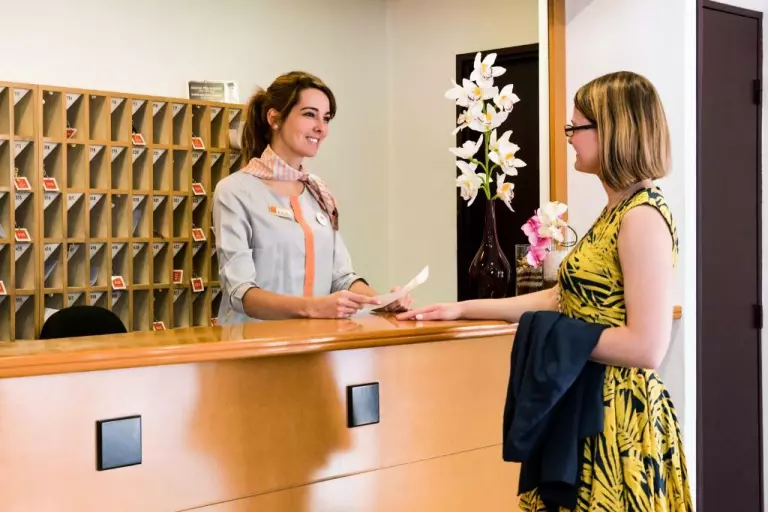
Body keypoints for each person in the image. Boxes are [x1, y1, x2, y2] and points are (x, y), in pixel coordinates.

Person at [398, 71, 692, 510]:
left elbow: (647, 347)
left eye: (576, 127)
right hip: (588, 406)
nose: (569, 137)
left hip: (616, 419)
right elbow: (561, 298)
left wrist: (557, 335)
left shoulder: (641, 217)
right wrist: (462, 309)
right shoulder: (616, 210)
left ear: (613, 130)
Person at [213, 71, 411, 324]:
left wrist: (382, 302)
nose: (321, 128)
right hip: (253, 342)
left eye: (326, 118)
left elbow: (341, 277)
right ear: (274, 118)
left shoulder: (319, 192)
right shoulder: (235, 191)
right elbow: (240, 292)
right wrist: (315, 307)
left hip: (315, 340)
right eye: (309, 114)